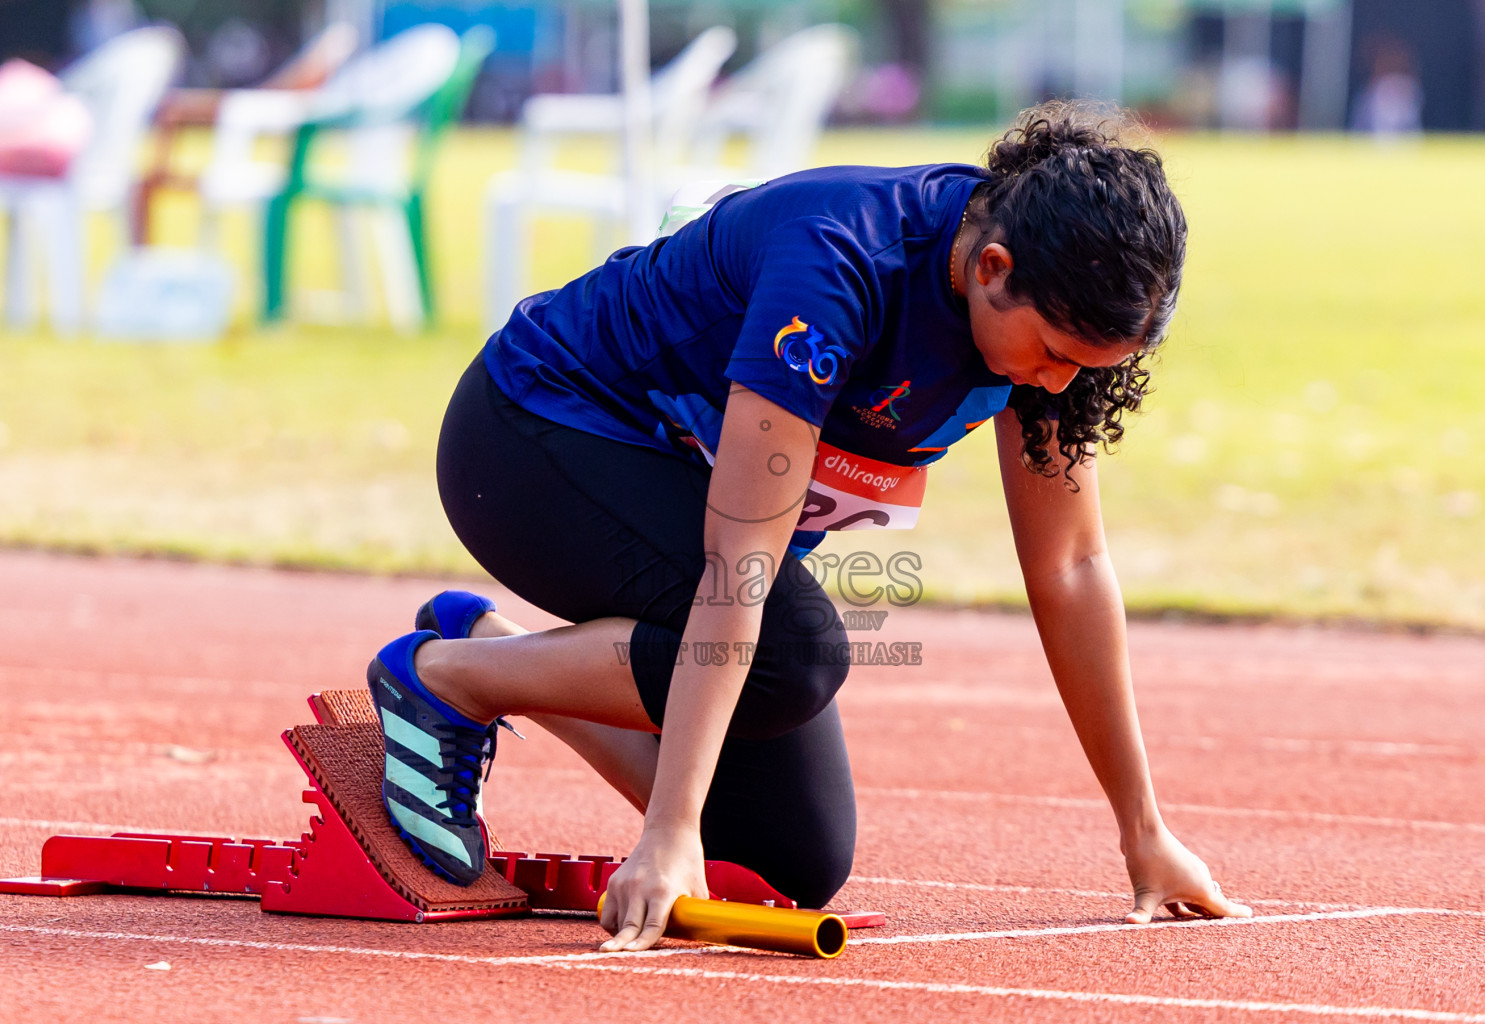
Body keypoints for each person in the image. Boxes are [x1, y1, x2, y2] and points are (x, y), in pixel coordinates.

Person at [365, 100, 1252, 953]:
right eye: (1054, 355)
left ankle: (492, 651)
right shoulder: (838, 263)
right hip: (530, 442)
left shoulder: (1060, 326)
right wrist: (667, 831)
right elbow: (741, 557)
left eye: (1087, 367)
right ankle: (447, 680)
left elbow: (1071, 567)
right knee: (793, 655)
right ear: (991, 268)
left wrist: (1144, 832)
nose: (1058, 385)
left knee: (783, 862)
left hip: (686, 493)